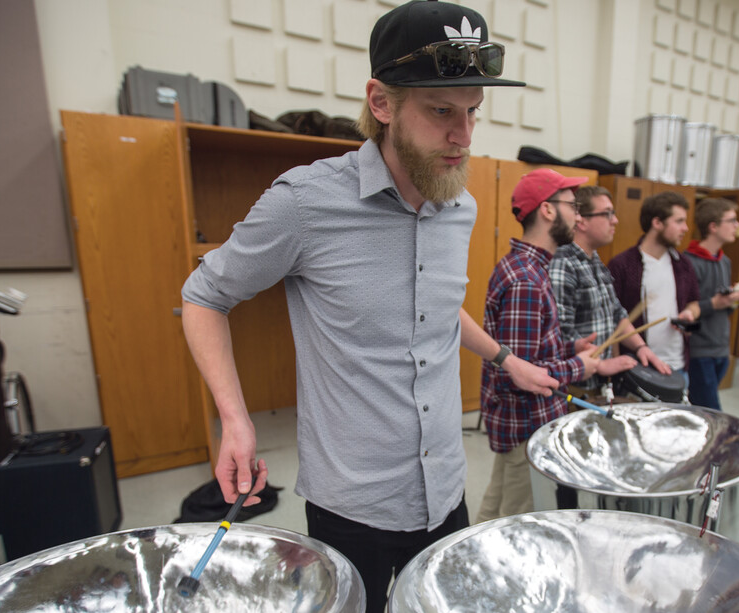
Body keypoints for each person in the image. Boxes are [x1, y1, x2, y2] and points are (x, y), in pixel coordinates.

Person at [180, 2, 552, 611]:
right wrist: (236, 420)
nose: (462, 135)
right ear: (381, 103)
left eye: (473, 112)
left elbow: (435, 307)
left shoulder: (459, 205)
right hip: (354, 505)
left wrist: (505, 357)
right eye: (440, 112)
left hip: (446, 488)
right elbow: (203, 296)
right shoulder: (303, 202)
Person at [477, 169, 602, 523]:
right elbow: (523, 374)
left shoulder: (529, 267)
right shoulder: (527, 280)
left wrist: (568, 346)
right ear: (547, 210)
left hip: (517, 422)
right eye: (572, 206)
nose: (578, 216)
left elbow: (527, 349)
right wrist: (583, 366)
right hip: (524, 423)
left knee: (494, 506)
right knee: (515, 523)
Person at [549, 185, 667, 400]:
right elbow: (558, 332)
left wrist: (640, 347)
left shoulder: (595, 260)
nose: (615, 220)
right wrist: (601, 364)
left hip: (598, 386)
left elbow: (617, 315)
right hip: (574, 388)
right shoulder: (563, 264)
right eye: (607, 214)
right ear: (581, 220)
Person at [607, 190, 701, 378]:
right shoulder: (622, 265)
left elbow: (694, 302)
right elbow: (612, 320)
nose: (685, 228)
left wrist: (690, 313)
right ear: (657, 223)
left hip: (678, 366)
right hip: (639, 366)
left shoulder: (683, 264)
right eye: (679, 221)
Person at [684, 198, 739, 411]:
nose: (736, 226)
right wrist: (715, 303)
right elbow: (686, 309)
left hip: (721, 347)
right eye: (731, 220)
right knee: (711, 413)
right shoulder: (689, 262)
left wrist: (734, 301)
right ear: (713, 227)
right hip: (700, 350)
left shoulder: (725, 262)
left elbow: (722, 307)